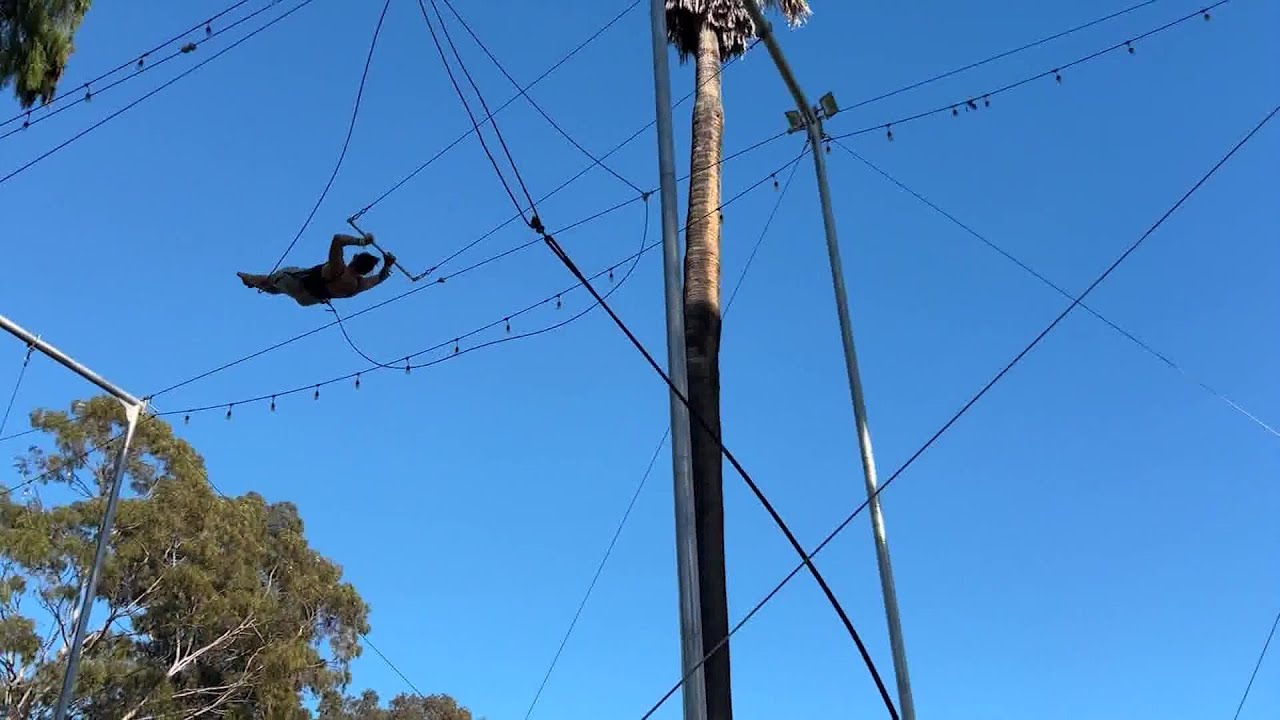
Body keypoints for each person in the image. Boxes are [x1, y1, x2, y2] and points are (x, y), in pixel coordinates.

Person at [238, 233, 396, 306]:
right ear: (366, 271)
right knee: (278, 288)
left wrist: (361, 241)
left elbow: (338, 239)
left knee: (278, 278)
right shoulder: (357, 286)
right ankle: (259, 284)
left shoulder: (338, 269)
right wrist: (387, 264)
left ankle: (253, 279)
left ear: (354, 259)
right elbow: (379, 279)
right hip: (308, 300)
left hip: (300, 284)